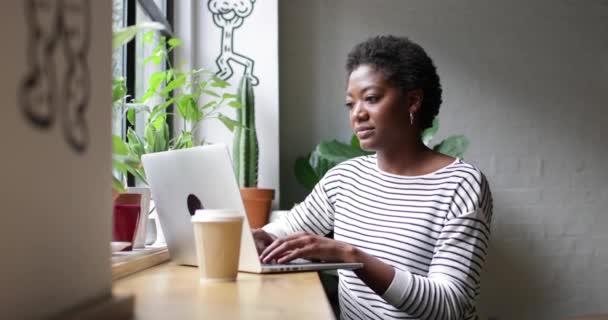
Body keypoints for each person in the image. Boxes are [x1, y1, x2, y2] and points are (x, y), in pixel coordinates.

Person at [254, 35, 493, 320]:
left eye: (371, 99)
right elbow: (281, 235)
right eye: (350, 104)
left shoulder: (462, 185)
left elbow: (449, 305)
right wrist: (255, 238)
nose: (357, 114)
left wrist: (353, 258)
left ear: (413, 101)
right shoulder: (344, 179)